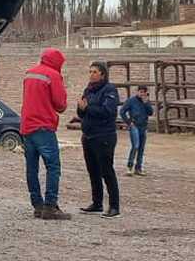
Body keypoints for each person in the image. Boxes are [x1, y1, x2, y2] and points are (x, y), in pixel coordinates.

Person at [19, 47, 69, 220]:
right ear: (57, 62)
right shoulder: (53, 75)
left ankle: (37, 205)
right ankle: (50, 206)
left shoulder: (29, 73)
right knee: (53, 167)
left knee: (31, 168)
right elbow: (60, 104)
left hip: (26, 126)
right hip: (43, 127)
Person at [77, 61, 121, 216]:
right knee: (93, 171)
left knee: (106, 171)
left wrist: (88, 108)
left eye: (94, 72)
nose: (91, 74)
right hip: (88, 135)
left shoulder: (109, 90)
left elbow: (108, 111)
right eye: (90, 71)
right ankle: (97, 203)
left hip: (104, 136)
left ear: (102, 74)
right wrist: (81, 108)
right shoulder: (88, 90)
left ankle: (114, 206)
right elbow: (82, 112)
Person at [121, 83, 153, 175]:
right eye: (140, 92)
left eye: (144, 92)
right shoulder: (131, 101)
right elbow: (122, 111)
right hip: (134, 125)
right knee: (136, 145)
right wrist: (128, 122)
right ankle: (130, 166)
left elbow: (150, 112)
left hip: (143, 125)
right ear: (137, 92)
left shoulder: (146, 101)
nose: (142, 94)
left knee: (141, 148)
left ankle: (138, 168)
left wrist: (146, 102)